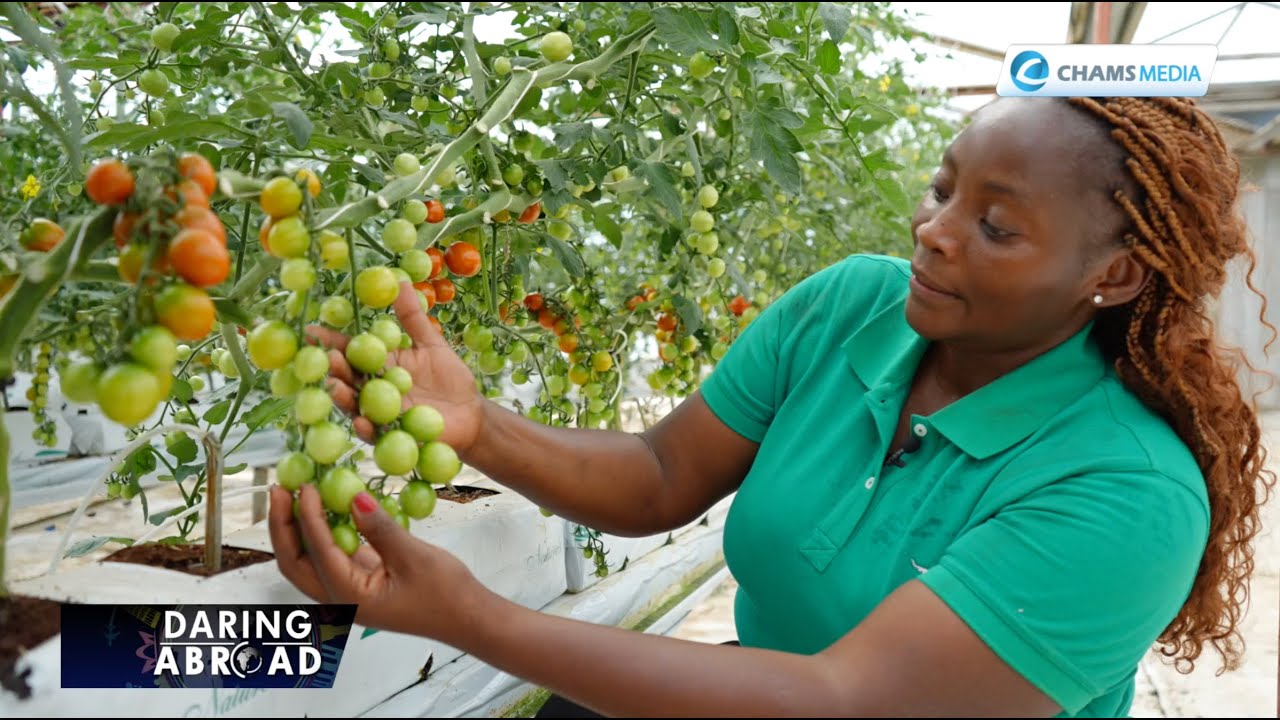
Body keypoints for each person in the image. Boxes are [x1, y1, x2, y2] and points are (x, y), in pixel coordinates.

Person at [267, 95, 1276, 718]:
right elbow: (663, 476)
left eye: (995, 226)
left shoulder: (1122, 493)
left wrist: (468, 616)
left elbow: (841, 700)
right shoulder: (852, 306)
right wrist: (482, 426)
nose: (932, 231)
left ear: (1114, 274)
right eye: (941, 188)